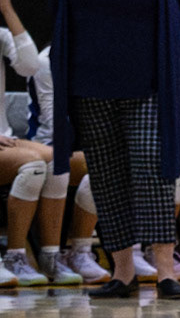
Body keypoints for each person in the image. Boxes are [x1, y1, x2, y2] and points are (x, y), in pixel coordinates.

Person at [47, 0, 180, 300]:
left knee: (152, 168)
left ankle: (166, 269)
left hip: (149, 82)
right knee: (106, 175)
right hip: (89, 83)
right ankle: (122, 272)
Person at [0, 0, 75, 287]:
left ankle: (50, 256)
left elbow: (30, 65)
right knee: (32, 167)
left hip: (4, 141)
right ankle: (14, 254)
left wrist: (7, 9)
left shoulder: (2, 36)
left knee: (58, 160)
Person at [26, 46, 109, 285]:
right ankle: (68, 253)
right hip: (50, 143)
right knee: (101, 165)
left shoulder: (100, 56)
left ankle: (134, 252)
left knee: (129, 160)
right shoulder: (46, 61)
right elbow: (55, 123)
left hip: (86, 144)